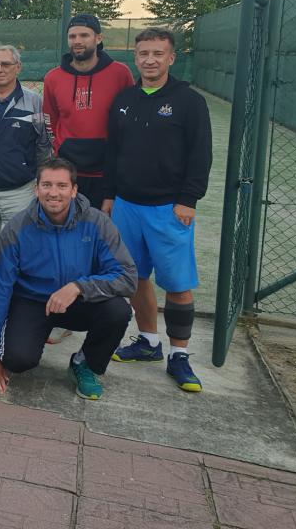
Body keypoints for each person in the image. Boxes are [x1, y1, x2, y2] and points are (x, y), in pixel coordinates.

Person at [105, 28, 213, 393]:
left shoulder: (189, 101)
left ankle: (179, 355)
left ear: (171, 58)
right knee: (134, 278)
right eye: (144, 53)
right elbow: (113, 152)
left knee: (178, 285)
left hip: (169, 208)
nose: (150, 60)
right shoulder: (124, 99)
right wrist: (109, 196)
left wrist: (189, 199)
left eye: (157, 53)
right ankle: (149, 342)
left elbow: (200, 154)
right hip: (126, 205)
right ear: (135, 57)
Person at [0, 158, 135, 401]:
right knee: (17, 360)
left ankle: (85, 363)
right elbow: (0, 290)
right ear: (36, 189)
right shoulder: (16, 228)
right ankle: (33, 335)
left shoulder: (97, 222)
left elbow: (127, 276)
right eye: (47, 185)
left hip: (80, 301)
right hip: (33, 301)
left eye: (62, 186)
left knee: (118, 311)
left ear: (74, 190)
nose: (53, 193)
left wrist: (78, 287)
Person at [0, 45, 51, 272]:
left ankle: (15, 295)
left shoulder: (34, 101)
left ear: (18, 67)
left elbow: (43, 144)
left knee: (19, 251)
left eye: (5, 64)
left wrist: (37, 178)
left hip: (19, 191)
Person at [42, 13, 133, 209]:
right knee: (67, 223)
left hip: (107, 173)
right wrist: (60, 148)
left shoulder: (120, 73)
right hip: (68, 171)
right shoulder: (53, 78)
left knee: (103, 225)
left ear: (98, 38)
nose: (77, 41)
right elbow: (51, 119)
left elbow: (129, 119)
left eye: (84, 35)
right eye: (72, 36)